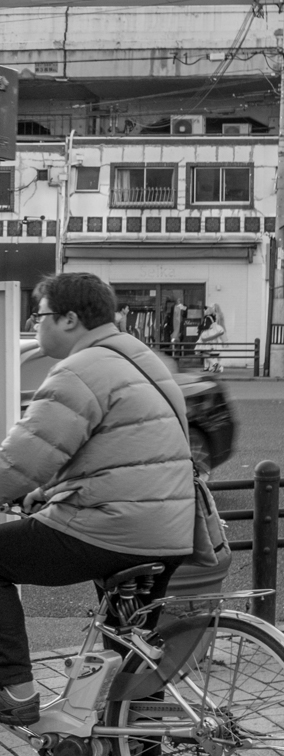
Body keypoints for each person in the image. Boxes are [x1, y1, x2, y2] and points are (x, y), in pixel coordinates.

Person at [0, 273, 193, 725]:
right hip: (166, 531)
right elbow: (120, 453)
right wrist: (45, 493)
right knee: (132, 654)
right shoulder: (140, 358)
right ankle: (135, 736)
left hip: (111, 528)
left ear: (69, 319)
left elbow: (21, 462)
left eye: (40, 314)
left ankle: (15, 690)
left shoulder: (81, 369)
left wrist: (29, 485)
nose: (35, 323)